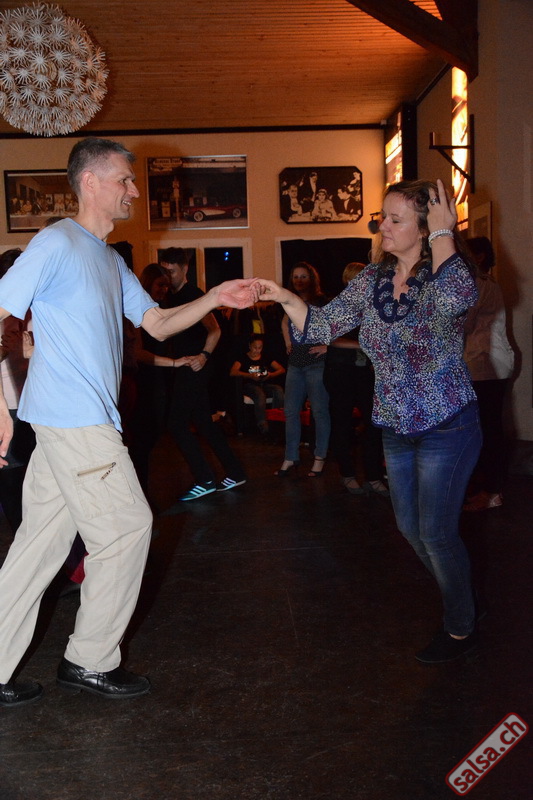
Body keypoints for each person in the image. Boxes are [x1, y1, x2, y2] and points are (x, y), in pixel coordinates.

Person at [0, 137, 258, 708]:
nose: (134, 191)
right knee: (128, 528)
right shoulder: (56, 242)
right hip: (76, 419)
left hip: (71, 421)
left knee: (38, 546)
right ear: (90, 181)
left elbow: (157, 323)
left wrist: (216, 296)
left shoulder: (109, 259)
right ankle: (90, 660)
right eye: (125, 180)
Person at [257, 179, 482, 664]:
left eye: (395, 219)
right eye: (383, 217)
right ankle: (460, 593)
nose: (383, 227)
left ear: (426, 227)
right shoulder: (372, 280)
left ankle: (460, 624)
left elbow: (456, 301)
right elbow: (320, 326)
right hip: (395, 427)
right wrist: (280, 294)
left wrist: (445, 233)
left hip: (447, 425)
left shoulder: (447, 275)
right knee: (410, 529)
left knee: (436, 533)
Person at [159, 247, 247, 501]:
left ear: (185, 269)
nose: (168, 276)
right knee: (204, 423)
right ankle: (235, 472)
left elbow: (215, 329)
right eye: (165, 271)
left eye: (172, 271)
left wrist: (204, 356)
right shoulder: (168, 296)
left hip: (195, 366)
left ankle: (205, 478)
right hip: (182, 366)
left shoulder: (194, 295)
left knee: (176, 424)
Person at [324, 262, 388, 497]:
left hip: (364, 371)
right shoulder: (339, 305)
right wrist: (363, 345)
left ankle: (373, 476)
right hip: (340, 370)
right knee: (342, 423)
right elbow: (330, 338)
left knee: (373, 424)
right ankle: (348, 474)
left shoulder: (375, 305)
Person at [463, 236, 515, 511]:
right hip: (485, 362)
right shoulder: (484, 282)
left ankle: (492, 492)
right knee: (485, 428)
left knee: (488, 430)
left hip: (485, 363)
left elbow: (465, 323)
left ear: (479, 256)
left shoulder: (480, 283)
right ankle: (488, 489)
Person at [276, 262, 330, 477]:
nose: (299, 280)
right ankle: (291, 456)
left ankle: (320, 457)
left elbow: (336, 325)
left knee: (319, 411)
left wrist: (327, 345)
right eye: (296, 276)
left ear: (312, 278)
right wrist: (287, 341)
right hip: (296, 361)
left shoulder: (322, 301)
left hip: (316, 361)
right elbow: (284, 322)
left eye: (303, 276)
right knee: (290, 411)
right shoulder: (290, 299)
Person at [0, 249, 35, 534]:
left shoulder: (36, 308)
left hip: (35, 404)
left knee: (36, 478)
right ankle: (21, 540)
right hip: (7, 407)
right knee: (11, 480)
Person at [230, 334, 285, 434]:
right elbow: (233, 372)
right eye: (255, 348)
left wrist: (271, 375)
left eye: (260, 348)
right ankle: (262, 424)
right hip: (249, 385)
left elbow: (281, 369)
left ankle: (276, 420)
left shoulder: (266, 357)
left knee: (278, 390)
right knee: (259, 393)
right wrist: (249, 375)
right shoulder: (243, 357)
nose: (257, 350)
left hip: (264, 383)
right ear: (250, 346)